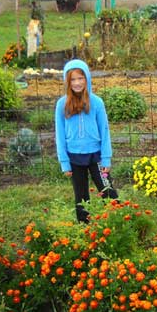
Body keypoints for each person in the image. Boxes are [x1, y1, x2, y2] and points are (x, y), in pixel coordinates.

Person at [55, 59, 118, 223]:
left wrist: (106, 158)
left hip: (96, 157)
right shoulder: (62, 104)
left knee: (108, 190)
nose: (77, 83)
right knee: (81, 196)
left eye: (80, 78)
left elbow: (104, 130)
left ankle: (118, 220)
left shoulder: (96, 102)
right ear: (67, 82)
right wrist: (64, 162)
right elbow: (60, 134)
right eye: (73, 79)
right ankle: (85, 227)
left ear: (87, 79)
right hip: (74, 157)